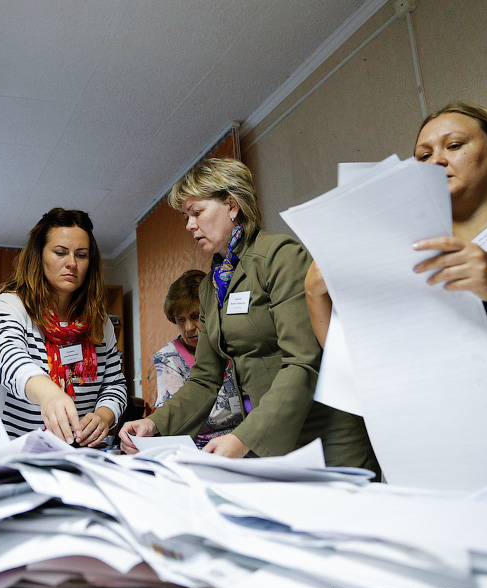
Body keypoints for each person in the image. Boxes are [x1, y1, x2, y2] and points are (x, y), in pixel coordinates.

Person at [119, 158, 376, 471]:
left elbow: (303, 361)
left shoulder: (279, 256)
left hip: (325, 432)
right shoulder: (211, 286)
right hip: (269, 437)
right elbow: (204, 378)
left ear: (231, 205)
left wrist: (243, 439)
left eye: (197, 212)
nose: (189, 224)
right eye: (186, 216)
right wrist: (154, 424)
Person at [306, 102, 487, 399]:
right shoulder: (407, 245)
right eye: (424, 155)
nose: (437, 161)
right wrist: (315, 294)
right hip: (451, 419)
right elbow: (362, 369)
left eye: (454, 145)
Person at [0, 208, 127, 446]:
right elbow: (9, 362)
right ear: (39, 256)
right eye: (60, 252)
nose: (71, 263)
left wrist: (104, 416)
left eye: (81, 255)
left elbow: (114, 384)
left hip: (80, 451)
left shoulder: (100, 321)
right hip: (20, 450)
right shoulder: (11, 305)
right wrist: (50, 395)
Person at [153, 269, 244, 448]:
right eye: (180, 319)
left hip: (243, 440)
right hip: (199, 448)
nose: (188, 327)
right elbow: (177, 420)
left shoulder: (234, 345)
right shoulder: (169, 358)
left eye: (195, 317)